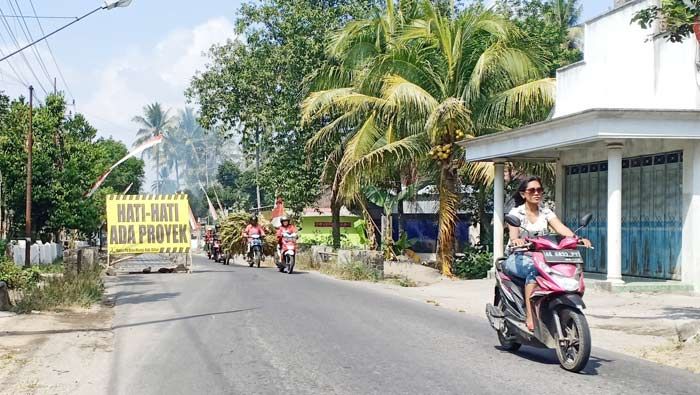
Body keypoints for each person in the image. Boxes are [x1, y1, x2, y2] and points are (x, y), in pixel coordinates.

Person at [504, 176, 591, 331]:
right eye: (532, 190)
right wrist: (517, 240)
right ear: (523, 194)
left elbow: (561, 229)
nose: (536, 193)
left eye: (539, 190)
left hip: (542, 257)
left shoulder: (545, 212)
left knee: (560, 269)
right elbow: (514, 235)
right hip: (517, 257)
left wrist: (578, 238)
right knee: (535, 272)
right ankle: (530, 317)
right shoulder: (516, 213)